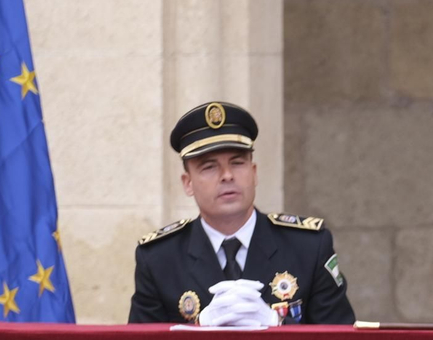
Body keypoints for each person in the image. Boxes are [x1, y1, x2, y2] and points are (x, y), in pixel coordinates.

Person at [128, 101, 354, 325]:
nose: (227, 176)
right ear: (188, 183)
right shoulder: (160, 259)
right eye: (209, 167)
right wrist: (197, 328)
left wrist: (278, 325)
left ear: (254, 173)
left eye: (237, 163)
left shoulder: (308, 247)